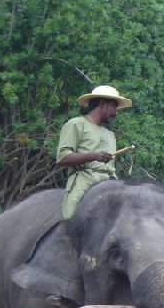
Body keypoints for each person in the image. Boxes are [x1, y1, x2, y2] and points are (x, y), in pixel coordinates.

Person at [56, 85, 132, 219]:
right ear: (102, 104)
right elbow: (62, 158)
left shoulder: (110, 134)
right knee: (72, 222)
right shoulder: (76, 124)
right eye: (113, 107)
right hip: (84, 181)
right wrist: (93, 156)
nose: (115, 113)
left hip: (109, 183)